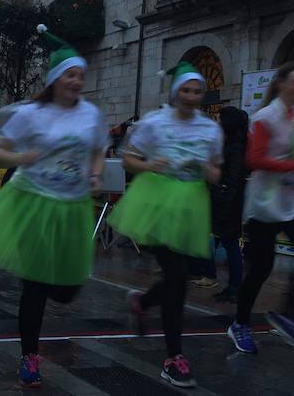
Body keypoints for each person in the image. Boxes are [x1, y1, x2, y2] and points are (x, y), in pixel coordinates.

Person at [0, 25, 107, 389]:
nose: (76, 82)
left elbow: (98, 149)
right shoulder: (31, 114)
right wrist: (21, 156)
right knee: (36, 287)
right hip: (33, 202)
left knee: (69, 287)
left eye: (80, 76)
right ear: (56, 78)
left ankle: (53, 294)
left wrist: (96, 175)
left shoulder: (91, 115)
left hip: (72, 207)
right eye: (70, 75)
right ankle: (29, 356)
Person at [108, 61, 222, 389]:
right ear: (175, 92)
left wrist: (202, 165)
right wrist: (149, 165)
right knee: (176, 276)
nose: (190, 96)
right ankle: (174, 356)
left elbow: (216, 174)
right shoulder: (155, 123)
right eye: (185, 90)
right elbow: (129, 158)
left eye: (197, 91)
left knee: (179, 277)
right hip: (155, 203)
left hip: (191, 206)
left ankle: (142, 303)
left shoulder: (211, 130)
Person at [228, 62, 294, 355]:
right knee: (261, 268)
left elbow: (293, 156)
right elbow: (254, 160)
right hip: (264, 203)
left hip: (292, 201)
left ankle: (285, 313)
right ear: (281, 83)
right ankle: (240, 323)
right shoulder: (264, 118)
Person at [207, 106, 249, 304]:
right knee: (229, 243)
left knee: (231, 244)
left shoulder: (235, 148)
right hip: (227, 201)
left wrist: (225, 203)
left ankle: (236, 287)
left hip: (229, 203)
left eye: (220, 120)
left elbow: (233, 180)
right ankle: (233, 286)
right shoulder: (230, 145)